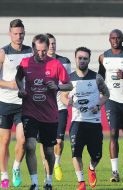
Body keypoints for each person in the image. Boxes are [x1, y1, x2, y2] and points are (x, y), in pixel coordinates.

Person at [15, 34, 73, 190]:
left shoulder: (55, 64)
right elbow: (18, 77)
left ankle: (48, 181)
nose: (41, 54)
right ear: (33, 48)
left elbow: (69, 85)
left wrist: (58, 87)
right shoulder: (25, 63)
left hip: (49, 115)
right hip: (30, 112)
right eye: (38, 50)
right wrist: (21, 89)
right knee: (30, 146)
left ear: (48, 48)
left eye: (44, 50)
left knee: (48, 151)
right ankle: (34, 183)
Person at [61, 47, 109, 190]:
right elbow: (63, 96)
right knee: (76, 152)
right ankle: (81, 182)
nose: (82, 61)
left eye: (85, 58)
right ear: (75, 59)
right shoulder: (69, 78)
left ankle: (91, 168)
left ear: (89, 60)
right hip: (77, 121)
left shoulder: (96, 78)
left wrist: (98, 105)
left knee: (97, 156)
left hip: (94, 122)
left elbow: (106, 94)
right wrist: (67, 101)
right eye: (79, 58)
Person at [98, 29, 123, 182]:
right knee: (113, 133)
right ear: (109, 39)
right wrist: (101, 92)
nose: (115, 40)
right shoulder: (103, 57)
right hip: (112, 100)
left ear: (122, 39)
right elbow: (100, 76)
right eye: (112, 38)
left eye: (118, 38)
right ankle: (115, 172)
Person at [0, 19, 32, 188]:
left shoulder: (30, 52)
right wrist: (9, 84)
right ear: (10, 34)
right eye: (15, 33)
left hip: (23, 104)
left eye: (21, 33)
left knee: (23, 139)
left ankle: (16, 168)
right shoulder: (3, 52)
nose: (19, 36)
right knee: (4, 141)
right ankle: (4, 176)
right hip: (5, 103)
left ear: (24, 33)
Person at [39, 33, 72, 182]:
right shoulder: (39, 62)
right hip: (43, 109)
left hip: (60, 107)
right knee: (44, 142)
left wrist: (64, 93)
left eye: (54, 43)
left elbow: (69, 83)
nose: (52, 45)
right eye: (49, 43)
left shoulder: (64, 62)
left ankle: (57, 163)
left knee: (59, 141)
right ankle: (46, 166)